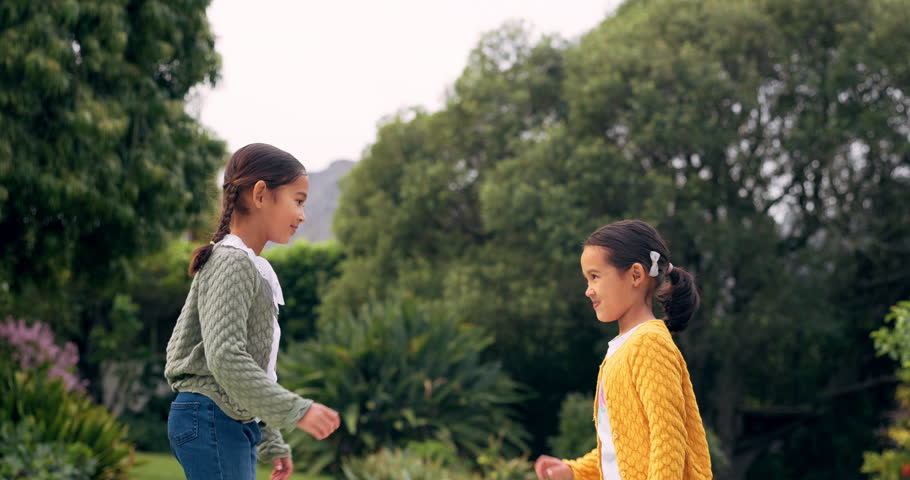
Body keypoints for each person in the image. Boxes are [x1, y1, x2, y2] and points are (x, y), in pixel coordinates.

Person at [164, 143, 340, 480]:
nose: (303, 215)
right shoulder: (231, 262)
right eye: (298, 201)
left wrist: (271, 438)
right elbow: (225, 357)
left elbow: (255, 368)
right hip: (211, 416)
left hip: (223, 418)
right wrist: (297, 410)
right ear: (260, 194)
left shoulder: (248, 266)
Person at [534, 220, 711, 480]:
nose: (588, 290)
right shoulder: (622, 348)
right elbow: (624, 446)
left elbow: (668, 439)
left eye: (594, 276)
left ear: (636, 275)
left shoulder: (649, 344)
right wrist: (574, 472)